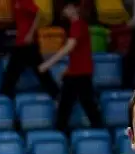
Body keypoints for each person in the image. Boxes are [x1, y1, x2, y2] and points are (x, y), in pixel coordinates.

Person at [43, 0, 103, 131]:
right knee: (69, 105)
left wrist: (47, 64)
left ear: (74, 8)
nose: (65, 11)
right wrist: (68, 69)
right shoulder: (77, 25)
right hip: (76, 72)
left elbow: (69, 47)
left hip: (81, 73)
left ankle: (98, 130)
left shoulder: (77, 25)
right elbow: (77, 53)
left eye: (67, 8)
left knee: (83, 105)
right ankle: (62, 131)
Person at [2, 0, 61, 97]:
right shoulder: (14, 2)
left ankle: (5, 94)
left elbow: (38, 13)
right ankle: (55, 92)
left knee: (13, 70)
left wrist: (30, 33)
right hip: (22, 40)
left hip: (27, 41)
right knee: (38, 69)